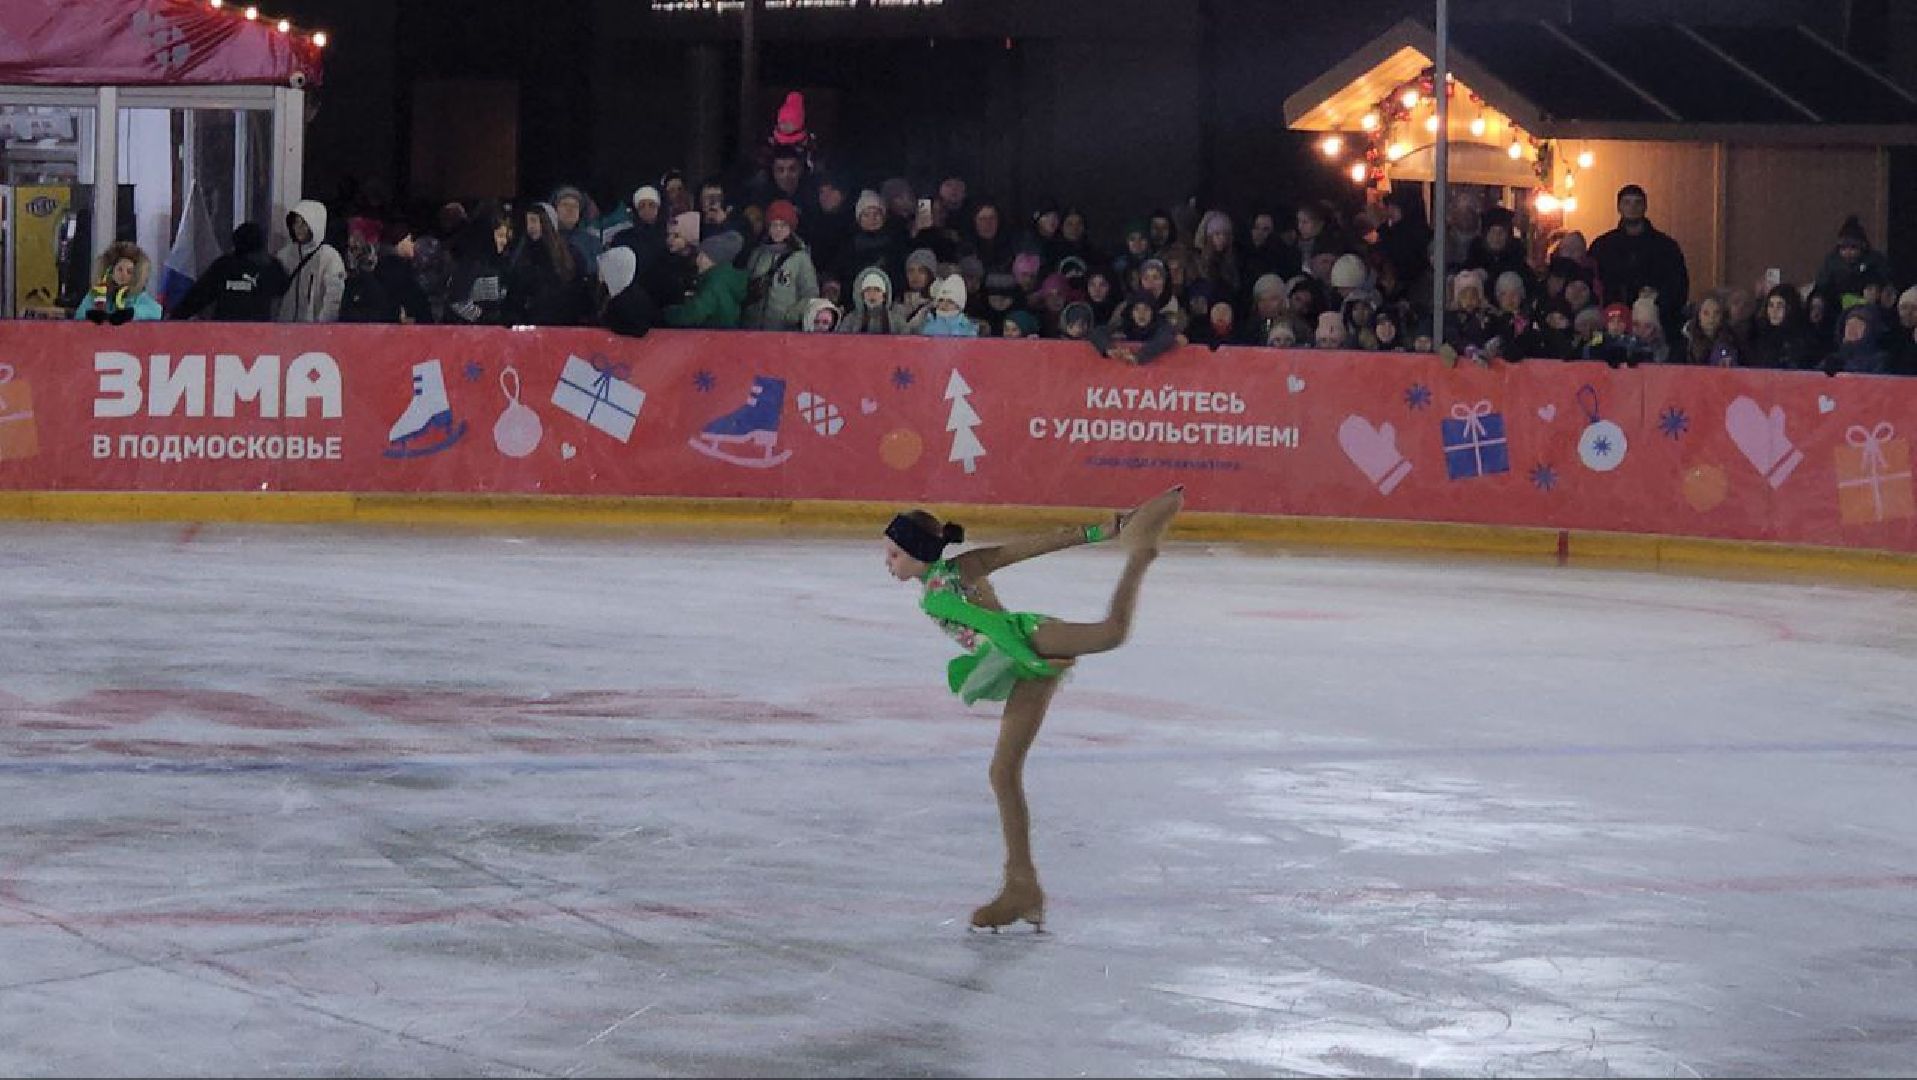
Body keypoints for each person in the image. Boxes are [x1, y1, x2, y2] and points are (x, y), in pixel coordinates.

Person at [881, 486, 1184, 931]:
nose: (887, 564)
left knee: (1110, 633)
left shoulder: (936, 595)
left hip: (1029, 642)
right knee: (1003, 772)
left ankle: (1142, 552)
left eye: (893, 555)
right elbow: (1028, 547)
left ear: (917, 553)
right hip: (1023, 657)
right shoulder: (963, 567)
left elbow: (992, 626)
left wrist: (1034, 661)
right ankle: (1021, 887)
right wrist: (1100, 529)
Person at [1589, 184, 1689, 341]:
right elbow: (1592, 281)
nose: (1632, 207)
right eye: (1627, 202)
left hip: (1656, 322)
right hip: (1612, 320)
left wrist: (1658, 299)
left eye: (1637, 202)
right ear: (1619, 207)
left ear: (1645, 206)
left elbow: (1679, 285)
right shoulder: (1602, 246)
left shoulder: (1666, 246)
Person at [169, 223, 287, 321]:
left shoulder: (224, 265)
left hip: (225, 335)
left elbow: (197, 297)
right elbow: (286, 296)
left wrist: (174, 319)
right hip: (261, 335)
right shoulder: (272, 266)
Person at [275, 198, 346, 322]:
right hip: (285, 330)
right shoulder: (284, 255)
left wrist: (321, 329)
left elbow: (333, 299)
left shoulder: (329, 258)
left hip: (313, 332)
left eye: (304, 223)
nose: (299, 228)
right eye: (296, 222)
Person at [74, 241, 163, 323]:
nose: (123, 274)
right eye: (120, 269)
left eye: (129, 272)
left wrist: (132, 313)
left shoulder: (137, 296)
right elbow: (80, 314)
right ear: (111, 271)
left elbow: (156, 311)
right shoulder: (96, 294)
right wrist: (90, 315)